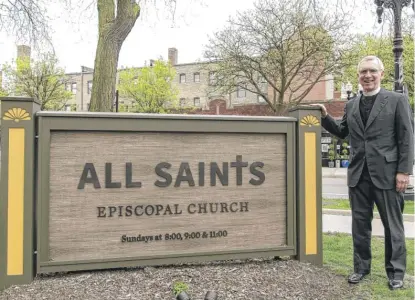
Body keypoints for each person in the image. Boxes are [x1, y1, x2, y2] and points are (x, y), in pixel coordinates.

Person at [313, 55, 414, 290]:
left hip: (388, 175)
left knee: (393, 226)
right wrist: (326, 117)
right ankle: (361, 268)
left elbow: (406, 138)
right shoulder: (351, 104)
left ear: (381, 73)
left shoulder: (397, 100)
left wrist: (403, 171)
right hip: (358, 175)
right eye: (363, 72)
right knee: (360, 225)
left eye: (372, 71)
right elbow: (342, 131)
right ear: (358, 76)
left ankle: (396, 272)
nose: (367, 76)